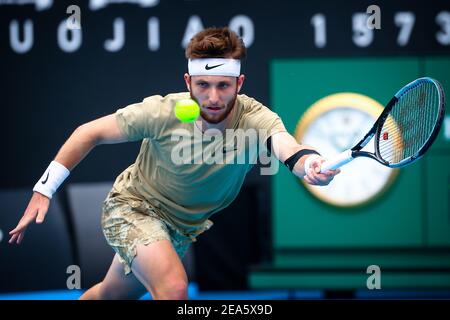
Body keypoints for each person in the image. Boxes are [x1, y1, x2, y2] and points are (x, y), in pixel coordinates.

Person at [8, 27, 340, 300]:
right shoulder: (162, 112)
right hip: (133, 208)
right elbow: (88, 133)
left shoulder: (255, 118)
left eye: (223, 85)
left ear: (239, 84)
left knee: (109, 295)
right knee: (174, 290)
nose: (212, 98)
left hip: (179, 228)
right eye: (203, 85)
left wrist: (309, 163)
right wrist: (44, 189)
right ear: (187, 82)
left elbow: (288, 148)